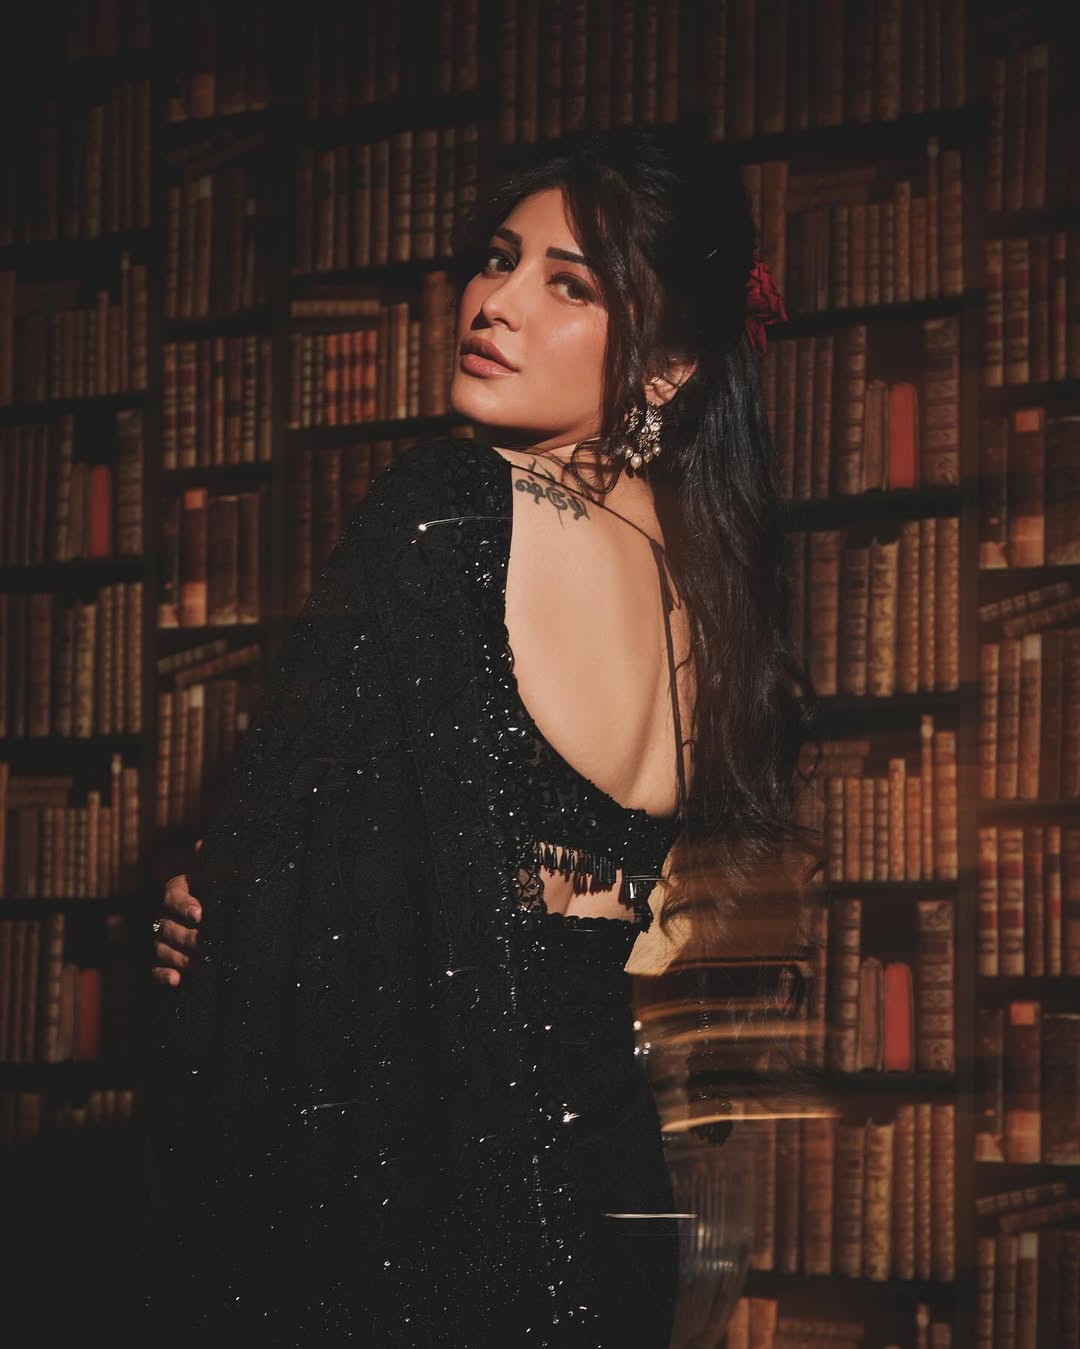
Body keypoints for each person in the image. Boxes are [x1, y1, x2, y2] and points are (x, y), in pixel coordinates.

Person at [145, 126, 812, 1348]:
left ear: (668, 364)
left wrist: (218, 920)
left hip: (444, 1211)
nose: (496, 302)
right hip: (613, 1206)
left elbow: (298, 889)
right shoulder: (710, 598)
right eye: (498, 259)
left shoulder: (450, 510)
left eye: (570, 284)